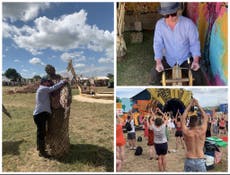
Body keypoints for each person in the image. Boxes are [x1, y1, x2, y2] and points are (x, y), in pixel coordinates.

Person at [151, 2, 205, 85]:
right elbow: (158, 44)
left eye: (173, 14)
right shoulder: (159, 25)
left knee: (198, 76)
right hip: (167, 58)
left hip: (185, 59)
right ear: (163, 14)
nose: (170, 18)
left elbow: (194, 43)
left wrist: (195, 61)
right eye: (166, 15)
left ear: (177, 11)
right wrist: (158, 62)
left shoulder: (188, 24)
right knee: (154, 75)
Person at [33, 77, 67, 158]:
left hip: (40, 114)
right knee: (42, 133)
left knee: (40, 132)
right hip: (40, 115)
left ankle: (39, 147)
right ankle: (42, 152)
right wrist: (62, 82)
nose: (49, 83)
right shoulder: (43, 89)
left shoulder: (42, 89)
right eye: (47, 82)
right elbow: (53, 88)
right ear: (44, 82)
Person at [181, 98, 208, 172]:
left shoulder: (187, 132)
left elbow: (183, 118)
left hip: (189, 159)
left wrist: (190, 105)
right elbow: (205, 117)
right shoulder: (202, 130)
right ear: (199, 122)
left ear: (189, 123)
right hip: (200, 159)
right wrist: (198, 104)